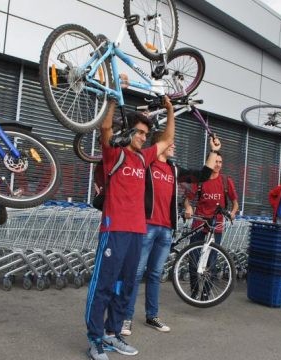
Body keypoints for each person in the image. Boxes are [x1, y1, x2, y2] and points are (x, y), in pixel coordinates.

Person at [85, 97, 174, 360]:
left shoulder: (142, 159)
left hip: (138, 230)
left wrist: (170, 111)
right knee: (104, 285)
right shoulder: (115, 152)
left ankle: (113, 334)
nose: (145, 138)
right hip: (114, 230)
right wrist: (113, 101)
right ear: (129, 131)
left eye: (147, 134)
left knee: (124, 287)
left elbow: (166, 141)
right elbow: (105, 129)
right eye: (141, 133)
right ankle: (94, 339)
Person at [121, 134, 221, 336]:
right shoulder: (145, 164)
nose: (174, 146)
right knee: (136, 273)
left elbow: (201, 174)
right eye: (170, 143)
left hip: (166, 229)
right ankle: (125, 317)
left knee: (156, 274)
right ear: (160, 145)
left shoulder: (173, 169)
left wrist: (214, 151)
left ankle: (152, 316)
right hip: (146, 227)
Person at [183, 151, 239, 299]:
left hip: (216, 224)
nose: (218, 164)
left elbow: (235, 203)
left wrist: (232, 212)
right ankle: (194, 290)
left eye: (220, 162)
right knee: (193, 258)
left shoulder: (226, 181)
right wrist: (188, 207)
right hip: (199, 223)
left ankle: (206, 292)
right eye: (215, 161)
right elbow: (188, 199)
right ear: (209, 161)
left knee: (212, 261)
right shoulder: (200, 180)